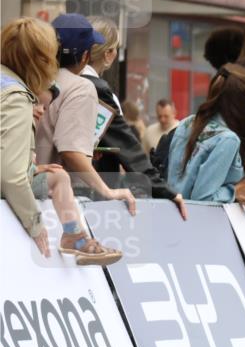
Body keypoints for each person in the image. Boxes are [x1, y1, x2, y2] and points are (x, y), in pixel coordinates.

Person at [1, 17, 122, 265]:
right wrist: (36, 225)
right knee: (59, 177)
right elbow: (10, 175)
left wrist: (31, 168)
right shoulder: (16, 98)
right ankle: (76, 238)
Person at [82, 16, 187, 220]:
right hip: (92, 196)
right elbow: (129, 150)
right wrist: (165, 191)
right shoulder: (98, 91)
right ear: (109, 54)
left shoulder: (59, 82)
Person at [34, 14, 137, 215]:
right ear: (84, 57)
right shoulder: (81, 87)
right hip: (56, 203)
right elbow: (71, 151)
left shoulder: (32, 78)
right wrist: (107, 190)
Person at [167, 63, 245, 202]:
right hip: (200, 220)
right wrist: (236, 192)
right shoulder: (228, 139)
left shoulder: (187, 122)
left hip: (171, 212)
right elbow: (204, 198)